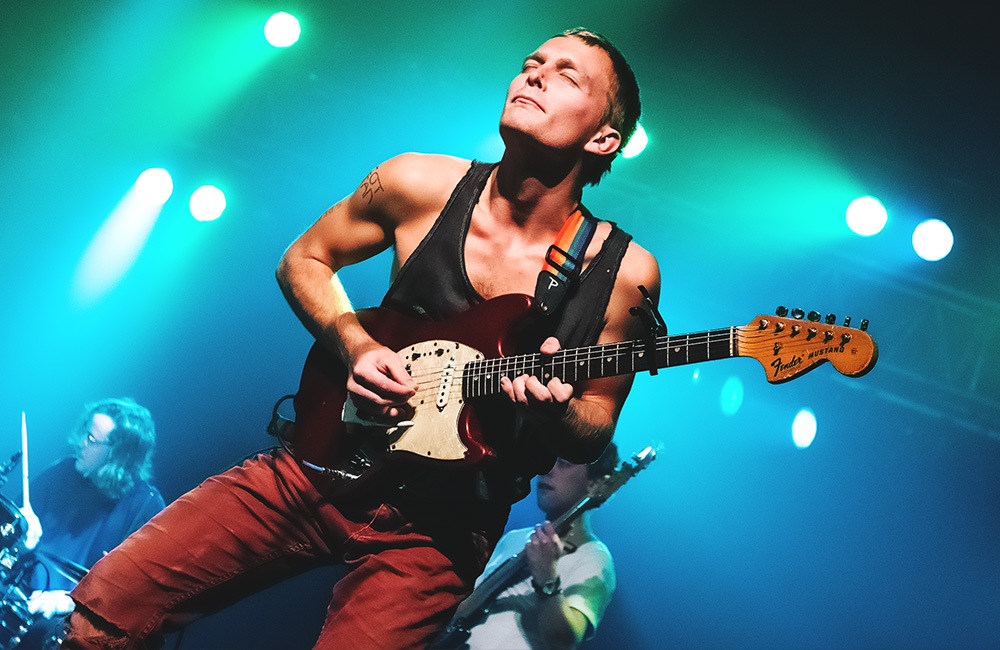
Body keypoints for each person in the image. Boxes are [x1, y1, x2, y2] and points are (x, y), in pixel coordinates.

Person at [62, 27, 660, 650]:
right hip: (319, 465)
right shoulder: (417, 182)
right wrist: (357, 346)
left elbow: (597, 420)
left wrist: (556, 410)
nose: (533, 74)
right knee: (106, 610)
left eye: (566, 75)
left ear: (603, 138)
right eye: (531, 62)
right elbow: (304, 259)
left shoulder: (625, 274)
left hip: (437, 532)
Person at [15, 398, 164, 647]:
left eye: (92, 440)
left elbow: (130, 595)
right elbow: (11, 535)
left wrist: (67, 602)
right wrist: (21, 539)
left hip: (71, 626)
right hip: (22, 594)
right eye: (85, 432)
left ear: (118, 455)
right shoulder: (62, 471)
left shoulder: (145, 507)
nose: (80, 443)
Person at [459, 443, 620, 650]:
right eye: (548, 461)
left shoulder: (594, 557)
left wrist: (547, 577)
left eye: (563, 464)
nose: (547, 471)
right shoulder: (514, 538)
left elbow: (562, 642)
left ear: (596, 483)